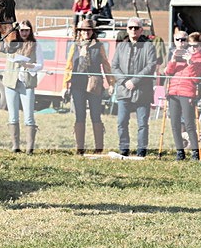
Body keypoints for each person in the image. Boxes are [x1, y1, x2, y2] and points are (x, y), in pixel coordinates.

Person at [62, 19, 115, 154]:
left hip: (94, 85)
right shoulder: (74, 46)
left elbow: (106, 65)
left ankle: (98, 148)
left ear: (92, 32)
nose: (86, 32)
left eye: (88, 30)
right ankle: (80, 148)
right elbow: (69, 66)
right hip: (77, 85)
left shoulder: (99, 46)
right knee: (80, 116)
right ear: (80, 32)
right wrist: (65, 85)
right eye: (83, 30)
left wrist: (111, 83)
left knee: (95, 115)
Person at [111, 17, 157, 157]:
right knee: (122, 122)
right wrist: (125, 81)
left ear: (141, 30)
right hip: (124, 91)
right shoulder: (121, 46)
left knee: (142, 124)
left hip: (142, 92)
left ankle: (141, 150)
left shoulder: (149, 46)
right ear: (127, 29)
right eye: (130, 27)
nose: (133, 30)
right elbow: (114, 66)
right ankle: (124, 148)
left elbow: (151, 66)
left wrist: (135, 81)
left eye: (136, 28)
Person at [0, 20, 43, 154]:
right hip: (11, 82)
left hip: (27, 82)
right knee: (13, 116)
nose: (24, 33)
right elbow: (0, 47)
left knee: (29, 116)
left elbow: (40, 64)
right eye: (22, 30)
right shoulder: (12, 43)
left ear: (30, 31)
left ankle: (30, 147)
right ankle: (15, 146)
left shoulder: (35, 45)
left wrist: (28, 66)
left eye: (26, 30)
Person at [164, 31, 201, 161]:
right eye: (191, 46)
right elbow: (167, 72)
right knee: (174, 124)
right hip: (173, 92)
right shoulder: (179, 55)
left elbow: (197, 79)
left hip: (188, 92)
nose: (192, 48)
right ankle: (180, 152)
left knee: (189, 124)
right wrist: (172, 60)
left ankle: (195, 153)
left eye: (195, 46)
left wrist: (190, 63)